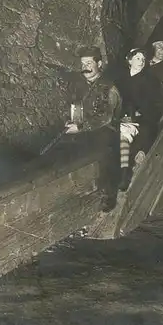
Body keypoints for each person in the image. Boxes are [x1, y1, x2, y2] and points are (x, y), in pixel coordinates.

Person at [61, 45, 122, 212]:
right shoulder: (78, 85)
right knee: (63, 147)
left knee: (103, 149)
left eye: (89, 63)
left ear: (99, 64)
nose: (85, 67)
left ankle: (107, 194)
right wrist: (69, 121)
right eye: (83, 64)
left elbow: (106, 117)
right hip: (82, 128)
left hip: (105, 129)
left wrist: (80, 127)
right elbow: (72, 106)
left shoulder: (109, 88)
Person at [118, 48, 163, 191]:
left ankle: (136, 159)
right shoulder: (121, 80)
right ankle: (123, 171)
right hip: (124, 118)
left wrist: (141, 113)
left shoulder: (150, 80)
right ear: (130, 60)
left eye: (143, 59)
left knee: (145, 132)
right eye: (138, 58)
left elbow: (157, 104)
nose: (141, 62)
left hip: (144, 117)